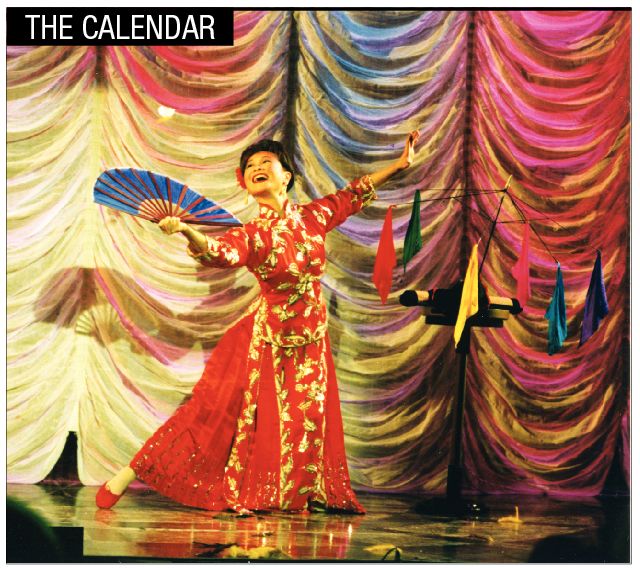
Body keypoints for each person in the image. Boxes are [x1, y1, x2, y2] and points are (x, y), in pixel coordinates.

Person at [96, 131, 420, 514]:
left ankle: (295, 494)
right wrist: (185, 229)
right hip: (264, 340)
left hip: (311, 338)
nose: (257, 168)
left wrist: (399, 165)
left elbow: (354, 193)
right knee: (210, 414)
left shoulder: (313, 217)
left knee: (306, 419)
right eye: (250, 166)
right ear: (246, 183)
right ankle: (128, 473)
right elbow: (219, 253)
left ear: (287, 177)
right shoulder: (251, 234)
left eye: (267, 162)